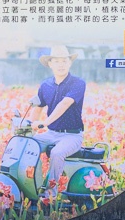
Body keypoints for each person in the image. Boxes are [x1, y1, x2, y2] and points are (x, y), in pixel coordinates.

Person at [31, 44, 86, 202]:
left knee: (57, 153)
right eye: (57, 61)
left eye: (64, 61)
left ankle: (50, 193)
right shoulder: (45, 85)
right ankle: (31, 185)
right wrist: (31, 127)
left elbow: (65, 104)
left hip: (72, 135)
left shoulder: (78, 83)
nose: (61, 64)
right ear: (50, 64)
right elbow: (38, 107)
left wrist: (45, 122)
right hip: (51, 134)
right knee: (27, 144)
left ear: (70, 63)